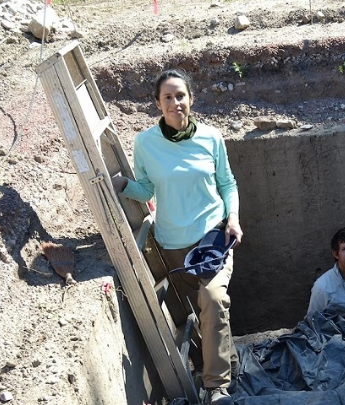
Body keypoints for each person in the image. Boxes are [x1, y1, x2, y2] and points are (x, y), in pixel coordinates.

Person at [113, 69, 242, 405]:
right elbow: (147, 189)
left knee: (213, 300)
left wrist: (233, 217)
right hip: (171, 245)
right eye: (167, 97)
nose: (175, 103)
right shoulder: (144, 143)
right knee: (195, 314)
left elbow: (227, 184)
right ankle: (223, 362)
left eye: (180, 95)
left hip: (212, 239)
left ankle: (217, 387)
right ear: (158, 103)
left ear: (191, 99)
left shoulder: (212, 137)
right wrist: (123, 186)